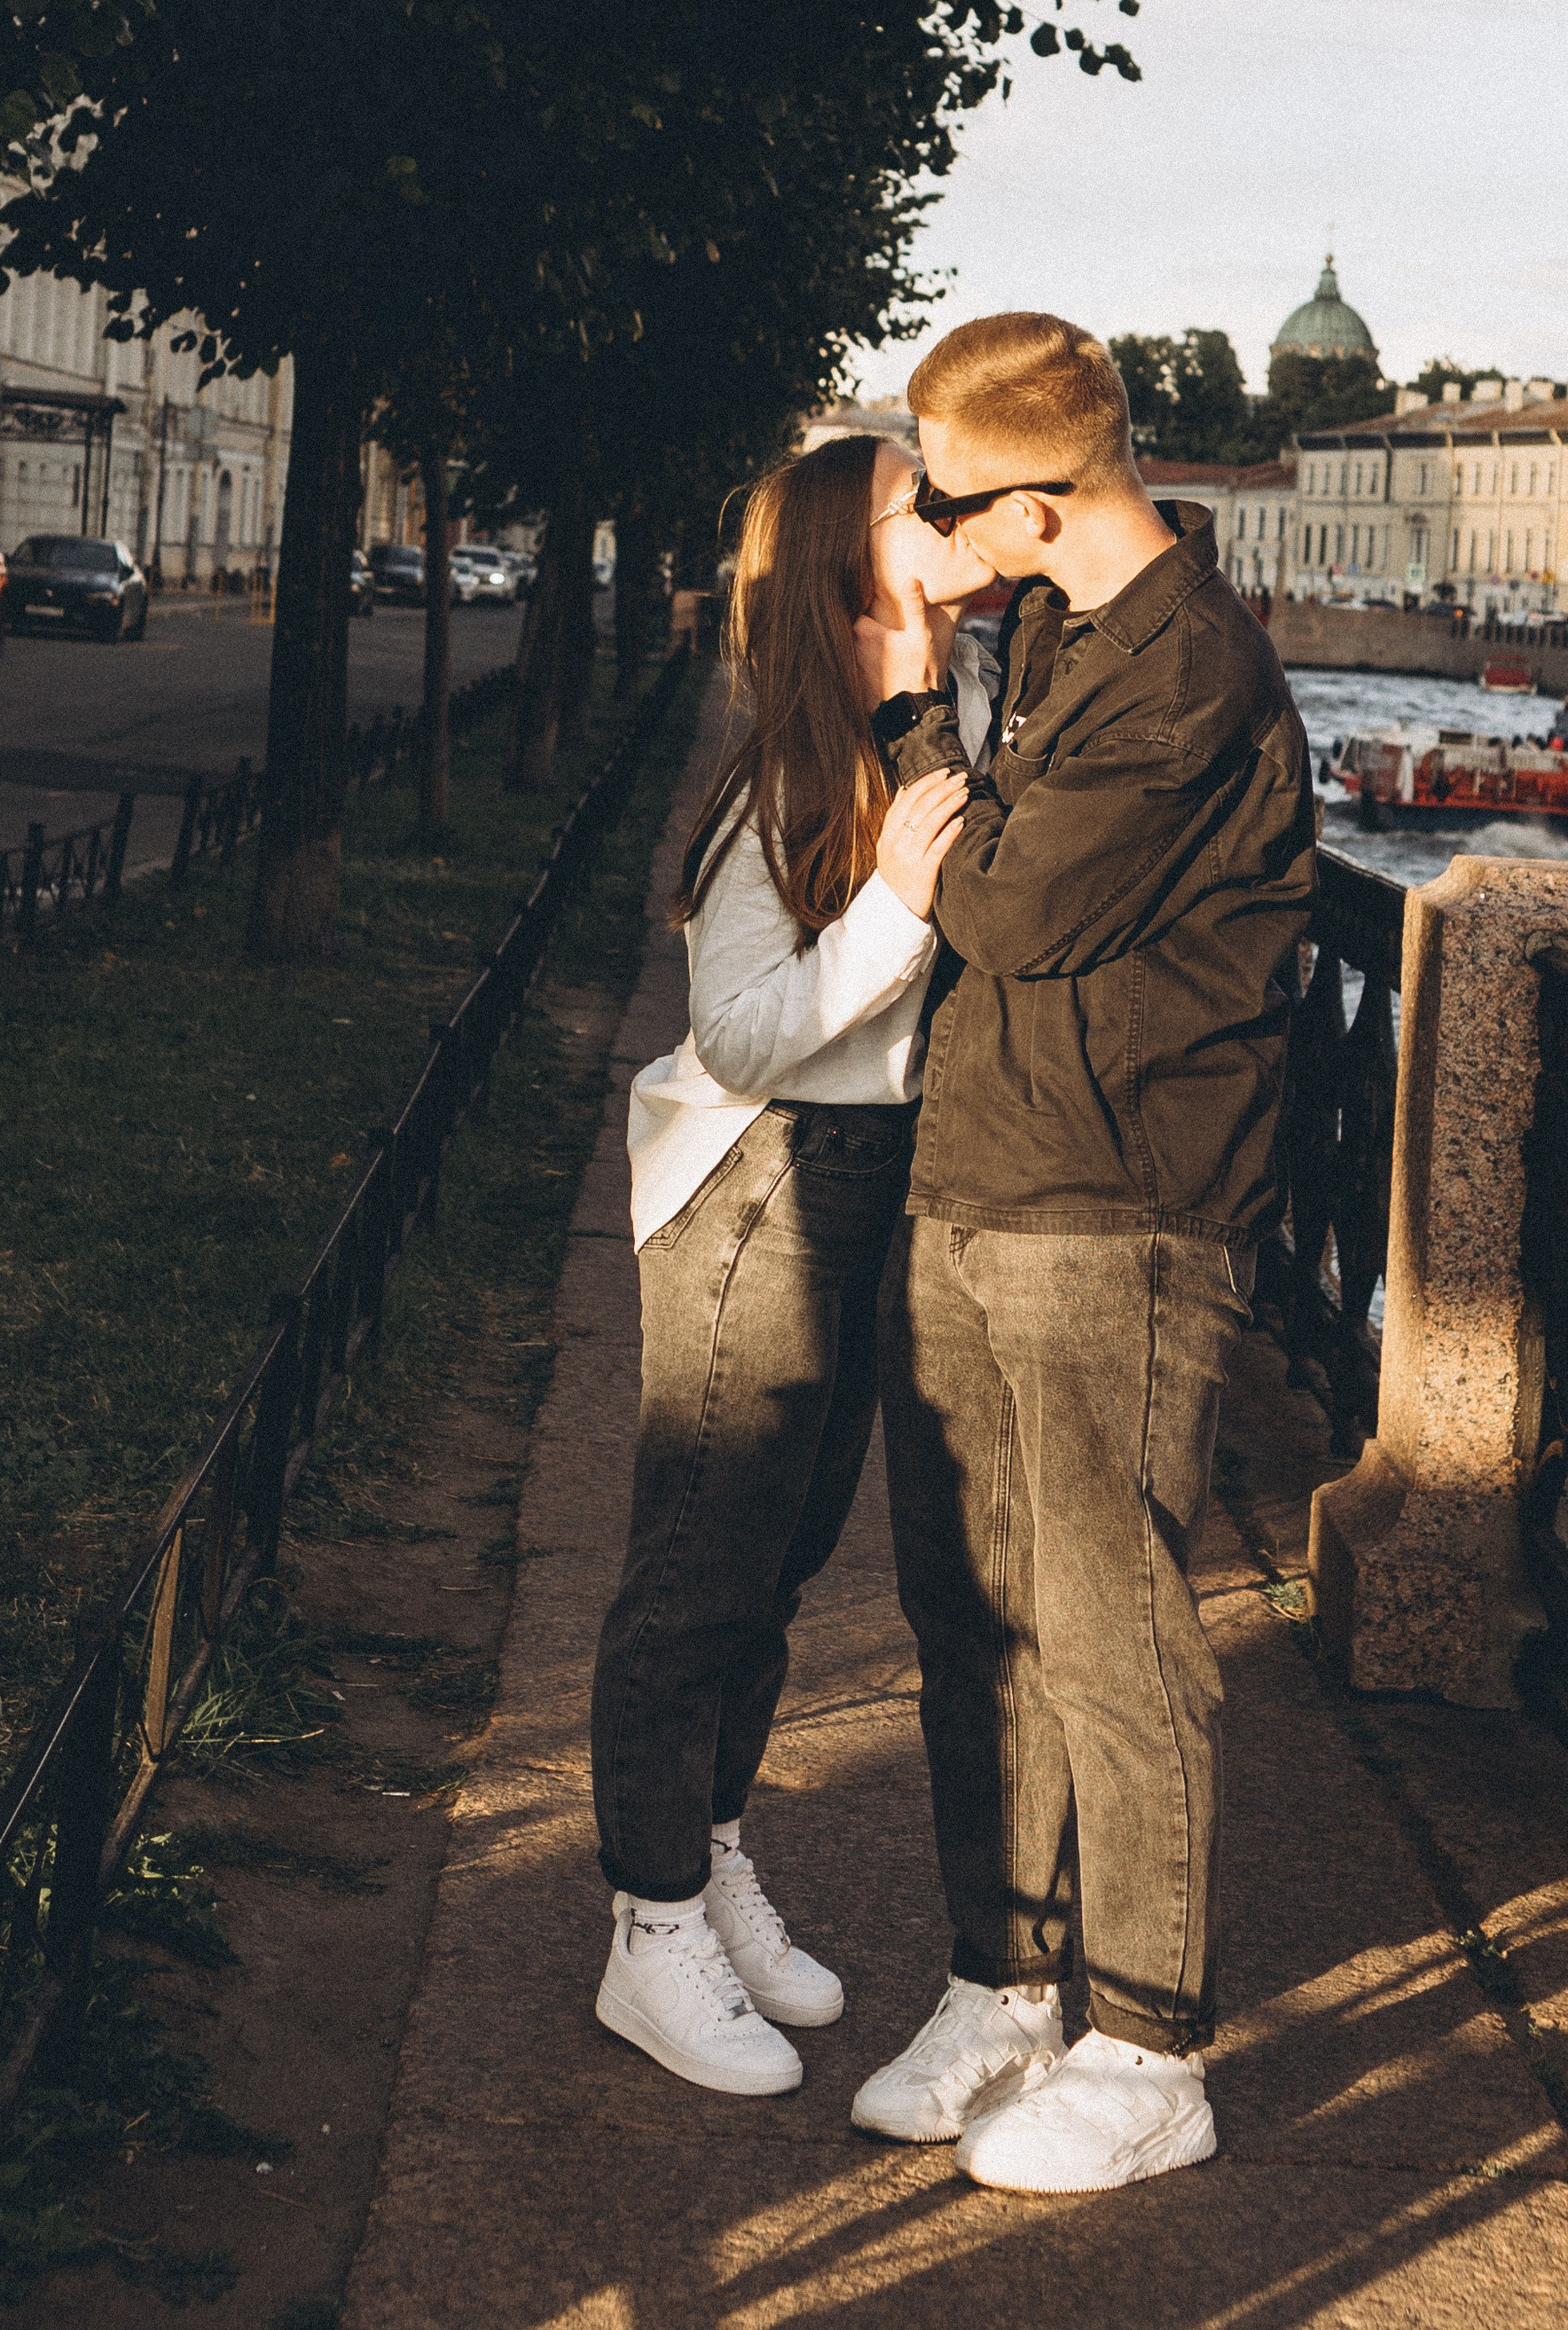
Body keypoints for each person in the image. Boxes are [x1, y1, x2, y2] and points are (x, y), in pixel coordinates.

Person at [849, 311, 1315, 2195]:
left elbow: (1016, 906)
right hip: (978, 1168)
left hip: (1118, 1205)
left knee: (1112, 1632)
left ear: (1038, 499)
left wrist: (902, 733)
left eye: (948, 499)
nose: (929, 526)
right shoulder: (1050, 629)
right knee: (970, 1610)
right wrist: (937, 679)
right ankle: (1006, 1984)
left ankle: (1149, 2043)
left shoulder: (1191, 670)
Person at [589, 433, 993, 2097]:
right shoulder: (782, 783)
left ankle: (713, 1850)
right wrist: (898, 906)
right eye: (928, 508)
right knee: (698, 1565)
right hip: (758, 1181)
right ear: (853, 562)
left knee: (781, 1562)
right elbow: (744, 1033)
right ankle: (648, 1925)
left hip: (870, 1179)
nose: (961, 526)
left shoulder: (943, 725)